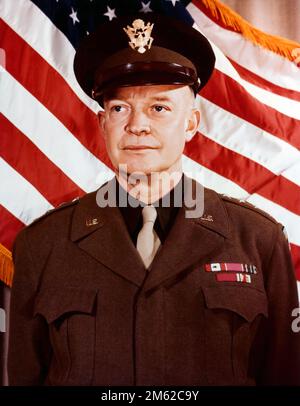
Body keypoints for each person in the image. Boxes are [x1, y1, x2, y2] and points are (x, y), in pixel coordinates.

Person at [7, 13, 300, 386]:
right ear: (102, 124)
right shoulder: (41, 245)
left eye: (159, 107)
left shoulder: (258, 241)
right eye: (119, 108)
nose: (137, 125)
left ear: (191, 123)